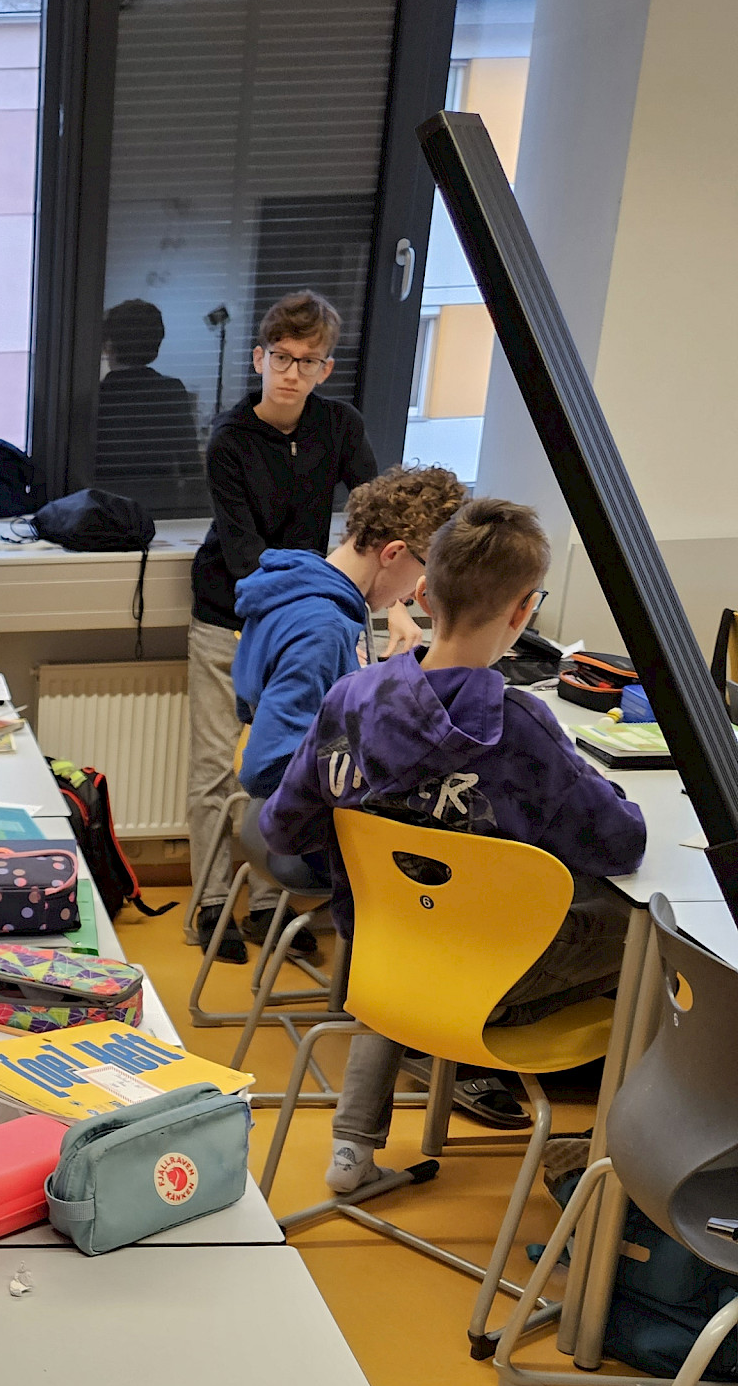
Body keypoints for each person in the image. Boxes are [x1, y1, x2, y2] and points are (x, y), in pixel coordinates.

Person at [259, 496, 647, 1199]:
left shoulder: (350, 699)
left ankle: (351, 1146)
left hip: (384, 962)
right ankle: (623, 1162)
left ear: (422, 593)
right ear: (524, 611)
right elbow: (620, 843)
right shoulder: (522, 727)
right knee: (649, 933)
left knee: (409, 912)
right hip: (492, 982)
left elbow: (284, 828)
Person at [186, 288, 376, 960]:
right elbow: (246, 556)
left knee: (291, 761)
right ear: (259, 359)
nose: (292, 373)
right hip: (230, 611)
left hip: (304, 616)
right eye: (282, 358)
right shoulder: (230, 440)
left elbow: (374, 513)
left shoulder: (339, 426)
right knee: (216, 764)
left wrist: (389, 602)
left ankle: (269, 906)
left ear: (325, 369)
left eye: (308, 361)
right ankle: (212, 905)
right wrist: (315, 609)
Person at [229, 464, 466, 946]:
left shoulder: (301, 589)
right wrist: (376, 765)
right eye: (424, 573)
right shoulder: (323, 627)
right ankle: (394, 980)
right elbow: (265, 766)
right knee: (467, 849)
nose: (414, 595)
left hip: (283, 814)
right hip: (305, 830)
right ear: (393, 553)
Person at [89, 298, 203, 517]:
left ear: (108, 345)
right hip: (161, 509)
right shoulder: (172, 390)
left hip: (105, 510)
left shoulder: (97, 395)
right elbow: (189, 461)